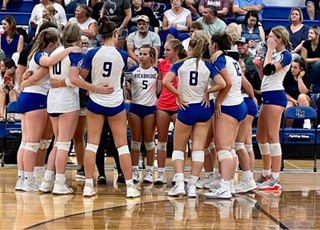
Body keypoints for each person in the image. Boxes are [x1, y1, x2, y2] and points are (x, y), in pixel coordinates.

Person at [76, 19, 140, 198]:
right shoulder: (122, 55)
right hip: (115, 103)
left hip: (96, 101)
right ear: (115, 34)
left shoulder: (91, 53)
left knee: (92, 144)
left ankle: (89, 185)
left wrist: (94, 88)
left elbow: (81, 79)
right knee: (122, 146)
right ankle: (130, 187)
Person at [16, 27, 79, 192]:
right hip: (36, 98)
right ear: (51, 43)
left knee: (27, 142)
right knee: (32, 144)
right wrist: (69, 49)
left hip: (29, 98)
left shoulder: (36, 54)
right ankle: (29, 180)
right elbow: (44, 69)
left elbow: (33, 72)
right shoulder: (41, 55)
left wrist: (24, 82)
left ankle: (23, 178)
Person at [165, 33, 226, 197]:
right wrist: (208, 91)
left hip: (186, 107)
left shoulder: (180, 64)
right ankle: (192, 186)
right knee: (198, 148)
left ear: (190, 48)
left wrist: (178, 95)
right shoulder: (208, 66)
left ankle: (179, 184)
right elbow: (222, 83)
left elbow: (165, 82)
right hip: (204, 107)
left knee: (179, 148)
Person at [204, 32, 247, 199]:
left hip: (228, 106)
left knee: (223, 149)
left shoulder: (219, 59)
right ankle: (228, 185)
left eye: (210, 43)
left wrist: (219, 101)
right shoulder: (233, 60)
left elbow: (227, 83)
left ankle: (224, 186)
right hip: (238, 104)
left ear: (214, 44)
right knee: (229, 149)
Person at [253, 26, 292, 190]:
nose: (268, 40)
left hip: (276, 96)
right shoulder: (275, 54)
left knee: (272, 136)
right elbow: (265, 76)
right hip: (267, 95)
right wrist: (258, 67)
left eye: (271, 37)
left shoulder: (285, 55)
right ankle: (266, 172)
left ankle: (275, 177)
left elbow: (270, 70)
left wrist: (268, 50)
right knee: (261, 136)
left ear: (279, 39)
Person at [154, 38, 187, 185]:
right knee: (161, 141)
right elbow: (160, 84)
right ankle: (160, 173)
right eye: (165, 49)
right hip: (163, 104)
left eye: (168, 50)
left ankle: (179, 174)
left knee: (181, 143)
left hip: (179, 105)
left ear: (177, 51)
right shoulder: (161, 64)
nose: (165, 52)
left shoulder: (185, 64)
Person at [125, 44, 160, 183]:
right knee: (135, 142)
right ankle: (134, 170)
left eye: (145, 54)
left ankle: (149, 171)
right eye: (140, 53)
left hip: (150, 108)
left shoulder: (156, 71)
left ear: (151, 56)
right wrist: (128, 89)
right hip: (135, 107)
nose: (141, 56)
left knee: (149, 142)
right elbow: (127, 95)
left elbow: (159, 90)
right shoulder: (132, 70)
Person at [234, 58, 258, 193]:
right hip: (247, 104)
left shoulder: (235, 72)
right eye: (241, 66)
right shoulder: (237, 72)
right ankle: (249, 178)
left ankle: (248, 179)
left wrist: (253, 97)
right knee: (247, 145)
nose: (243, 68)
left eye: (244, 66)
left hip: (245, 104)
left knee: (238, 144)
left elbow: (248, 86)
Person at [283, 57, 311, 128]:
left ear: (301, 69)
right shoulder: (287, 77)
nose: (292, 69)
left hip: (305, 101)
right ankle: (288, 128)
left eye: (295, 67)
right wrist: (293, 100)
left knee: (301, 97)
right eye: (292, 67)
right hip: (291, 100)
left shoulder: (306, 77)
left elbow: (304, 92)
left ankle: (307, 122)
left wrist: (299, 78)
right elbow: (283, 92)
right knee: (289, 105)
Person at [236, 37, 261, 103]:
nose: (239, 47)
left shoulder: (251, 58)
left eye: (242, 45)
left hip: (253, 82)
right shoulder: (239, 56)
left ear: (247, 45)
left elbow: (242, 72)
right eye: (238, 45)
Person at [0, 58, 19, 122]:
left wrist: (12, 86)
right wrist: (6, 75)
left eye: (2, 66)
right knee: (2, 91)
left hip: (15, 96)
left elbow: (20, 90)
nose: (0, 67)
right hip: (3, 96)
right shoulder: (0, 73)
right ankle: (1, 116)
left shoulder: (17, 73)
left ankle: (12, 117)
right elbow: (0, 88)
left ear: (7, 67)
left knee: (12, 92)